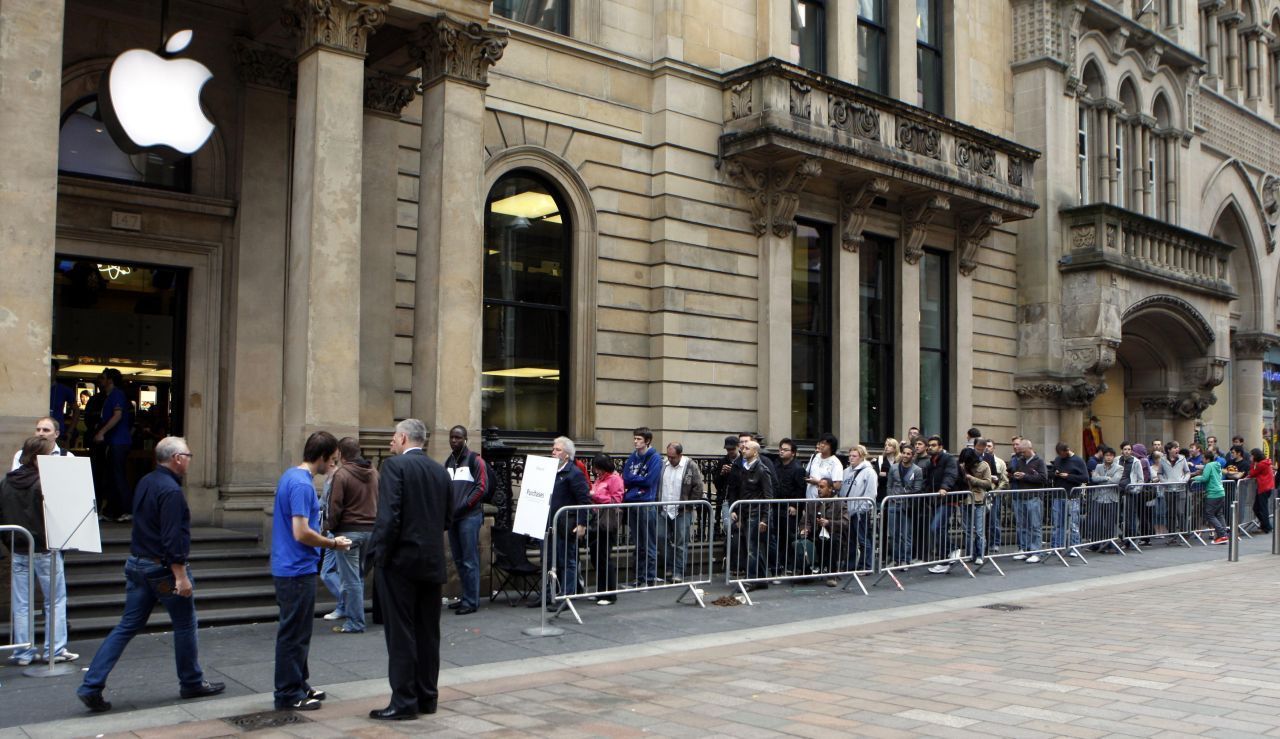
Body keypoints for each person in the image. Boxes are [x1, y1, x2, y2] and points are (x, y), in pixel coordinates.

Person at [77, 437, 223, 713]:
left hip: (137, 563)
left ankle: (91, 684)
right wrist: (180, 575)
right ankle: (191, 681)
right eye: (188, 455)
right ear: (177, 458)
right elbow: (172, 537)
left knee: (127, 626)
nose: (191, 459)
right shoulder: (171, 491)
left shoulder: (146, 481)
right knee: (184, 624)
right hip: (161, 569)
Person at [367, 419, 453, 721]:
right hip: (431, 561)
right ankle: (427, 697)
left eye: (393, 437)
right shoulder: (439, 470)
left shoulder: (394, 468)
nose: (391, 442)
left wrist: (380, 555)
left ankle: (403, 701)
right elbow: (447, 518)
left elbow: (388, 517)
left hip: (401, 563)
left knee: (401, 633)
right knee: (428, 633)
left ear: (403, 438)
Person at [271, 431, 351, 712]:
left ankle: (299, 684)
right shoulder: (302, 485)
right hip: (295, 568)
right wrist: (333, 543)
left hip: (291, 566)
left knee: (299, 631)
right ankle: (287, 693)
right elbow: (301, 531)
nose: (333, 466)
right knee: (293, 633)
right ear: (321, 457)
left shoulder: (290, 477)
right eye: (332, 460)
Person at [1, 436, 77, 666]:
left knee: (22, 602)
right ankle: (55, 649)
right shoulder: (43, 483)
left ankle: (24, 652)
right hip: (44, 548)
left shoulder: (6, 482)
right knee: (54, 601)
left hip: (19, 547)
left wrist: (9, 541)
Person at [321, 437, 378, 632]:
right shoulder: (373, 472)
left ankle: (355, 622)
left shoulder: (342, 474)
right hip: (371, 531)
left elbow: (334, 506)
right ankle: (354, 615)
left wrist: (331, 529)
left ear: (340, 454)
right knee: (358, 576)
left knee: (351, 578)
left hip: (348, 532)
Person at [443, 426, 489, 617]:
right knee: (459, 559)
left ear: (465, 439)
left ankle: (471, 601)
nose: (454, 440)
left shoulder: (475, 460)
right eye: (452, 437)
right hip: (454, 518)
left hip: (469, 517)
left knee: (470, 560)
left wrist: (463, 505)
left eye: (458, 437)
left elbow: (481, 487)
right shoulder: (448, 461)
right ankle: (465, 597)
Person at [544, 436, 590, 607]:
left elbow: (584, 501)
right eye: (553, 449)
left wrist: (581, 524)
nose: (553, 452)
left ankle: (565, 597)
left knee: (567, 561)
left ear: (567, 455)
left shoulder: (574, 474)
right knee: (549, 561)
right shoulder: (550, 471)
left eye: (558, 450)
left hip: (565, 525)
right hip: (549, 524)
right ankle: (549, 595)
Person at [936, 446, 991, 573]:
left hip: (978, 501)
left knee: (979, 530)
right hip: (965, 501)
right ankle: (969, 553)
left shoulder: (983, 466)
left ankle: (980, 555)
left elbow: (988, 483)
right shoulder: (961, 466)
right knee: (966, 530)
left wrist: (973, 479)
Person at [657, 442, 704, 584]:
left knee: (680, 542)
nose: (670, 459)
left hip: (682, 510)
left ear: (680, 455)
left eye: (673, 457)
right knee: (661, 537)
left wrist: (689, 505)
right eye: (668, 456)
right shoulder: (664, 465)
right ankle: (669, 566)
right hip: (664, 508)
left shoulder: (690, 466)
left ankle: (678, 571)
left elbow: (698, 486)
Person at [622, 428, 663, 586]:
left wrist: (634, 479)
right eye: (634, 438)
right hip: (633, 502)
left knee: (648, 543)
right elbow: (625, 478)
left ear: (647, 441)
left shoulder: (655, 458)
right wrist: (637, 479)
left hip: (646, 503)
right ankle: (639, 577)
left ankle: (649, 577)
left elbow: (649, 481)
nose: (635, 441)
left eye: (638, 439)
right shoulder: (632, 457)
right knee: (638, 543)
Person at [732, 440, 774, 591]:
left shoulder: (762, 470)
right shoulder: (744, 468)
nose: (743, 450)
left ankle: (750, 580)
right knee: (754, 547)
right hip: (747, 511)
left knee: (752, 548)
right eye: (743, 448)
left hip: (755, 513)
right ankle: (761, 579)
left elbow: (768, 496)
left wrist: (764, 519)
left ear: (755, 452)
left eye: (747, 448)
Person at [94, 368, 134, 522]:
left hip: (119, 441)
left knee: (118, 476)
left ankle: (127, 509)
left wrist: (101, 432)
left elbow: (117, 416)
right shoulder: (110, 396)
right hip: (114, 441)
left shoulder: (117, 394)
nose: (100, 380)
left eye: (103, 378)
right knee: (112, 476)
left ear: (110, 380)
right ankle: (112, 510)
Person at [793, 477, 848, 585]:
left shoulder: (839, 503)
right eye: (818, 486)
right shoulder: (813, 503)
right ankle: (805, 572)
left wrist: (829, 523)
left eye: (822, 487)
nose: (819, 489)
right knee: (796, 540)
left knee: (832, 542)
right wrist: (805, 529)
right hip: (815, 533)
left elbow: (845, 522)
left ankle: (831, 575)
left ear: (830, 489)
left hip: (832, 534)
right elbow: (805, 520)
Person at [587, 454, 624, 605]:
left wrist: (595, 496)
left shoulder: (615, 479)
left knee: (604, 557)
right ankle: (601, 591)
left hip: (607, 521)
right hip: (597, 520)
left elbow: (616, 500)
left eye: (596, 467)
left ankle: (610, 594)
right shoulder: (600, 478)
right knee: (596, 557)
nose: (595, 470)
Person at [920, 436, 960, 565]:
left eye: (933, 445)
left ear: (941, 447)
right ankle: (945, 557)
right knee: (940, 529)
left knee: (935, 527)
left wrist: (944, 488)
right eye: (929, 445)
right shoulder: (931, 462)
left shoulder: (948, 459)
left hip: (947, 499)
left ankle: (951, 549)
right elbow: (927, 480)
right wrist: (925, 493)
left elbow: (951, 474)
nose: (930, 447)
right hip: (935, 500)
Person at [1010, 438, 1048, 562]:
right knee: (1023, 525)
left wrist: (1025, 476)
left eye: (1023, 452)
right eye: (1020, 452)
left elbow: (1043, 478)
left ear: (1030, 449)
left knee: (1035, 525)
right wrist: (1016, 475)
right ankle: (1026, 550)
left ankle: (1036, 552)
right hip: (1022, 496)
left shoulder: (1039, 461)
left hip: (1034, 498)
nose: (1021, 454)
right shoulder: (1021, 461)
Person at [884, 446, 923, 567]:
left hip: (907, 505)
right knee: (893, 534)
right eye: (904, 453)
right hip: (893, 504)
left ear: (913, 456)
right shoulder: (894, 468)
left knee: (906, 535)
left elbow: (918, 489)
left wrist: (904, 495)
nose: (905, 455)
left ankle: (905, 559)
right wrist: (891, 497)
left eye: (908, 454)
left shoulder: (917, 470)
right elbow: (889, 485)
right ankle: (895, 559)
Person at [1047, 443, 1088, 556]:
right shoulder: (1058, 459)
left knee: (1073, 524)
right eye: (1059, 454)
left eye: (1062, 454)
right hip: (1059, 495)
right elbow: (1050, 474)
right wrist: (1054, 474)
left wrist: (1068, 476)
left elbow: (1085, 478)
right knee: (1057, 524)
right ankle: (1057, 546)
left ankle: (1074, 547)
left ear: (1067, 450)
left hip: (1072, 497)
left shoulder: (1078, 461)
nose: (1061, 456)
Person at [841, 445, 877, 572]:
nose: (851, 458)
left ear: (861, 457)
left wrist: (862, 509)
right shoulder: (846, 471)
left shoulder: (869, 472)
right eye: (850, 456)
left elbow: (871, 492)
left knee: (863, 540)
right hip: (847, 511)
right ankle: (849, 566)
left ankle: (866, 566)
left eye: (854, 456)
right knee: (849, 541)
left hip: (860, 511)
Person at [1086, 446, 1124, 550]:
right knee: (1096, 521)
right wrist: (1106, 478)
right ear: (1104, 456)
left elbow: (1115, 480)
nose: (1108, 458)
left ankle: (1109, 544)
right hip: (1098, 498)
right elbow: (1094, 478)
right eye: (1107, 455)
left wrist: (1101, 479)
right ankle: (1095, 543)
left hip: (1111, 498)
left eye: (1111, 456)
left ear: (1113, 457)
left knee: (1110, 523)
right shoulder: (1098, 466)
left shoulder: (1119, 468)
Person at [1191, 453, 1229, 544]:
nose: (1202, 460)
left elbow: (1205, 478)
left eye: (1203, 458)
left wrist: (1194, 478)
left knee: (1209, 514)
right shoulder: (1217, 465)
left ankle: (1222, 534)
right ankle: (1224, 535)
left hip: (1213, 493)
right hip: (1221, 492)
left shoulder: (1208, 465)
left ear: (1207, 459)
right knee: (1219, 514)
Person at [804, 433, 843, 499]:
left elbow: (837, 486)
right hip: (810, 499)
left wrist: (817, 482)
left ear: (831, 446)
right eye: (821, 443)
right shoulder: (815, 456)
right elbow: (807, 473)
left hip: (825, 502)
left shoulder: (835, 463)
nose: (821, 445)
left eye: (825, 444)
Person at [1247, 448, 1275, 534]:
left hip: (1263, 488)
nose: (1250, 457)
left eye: (1251, 455)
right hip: (1266, 487)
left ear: (1255, 456)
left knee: (1262, 508)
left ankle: (1267, 527)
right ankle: (1265, 525)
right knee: (1258, 508)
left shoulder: (1261, 464)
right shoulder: (1265, 463)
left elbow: (1252, 473)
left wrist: (1252, 463)